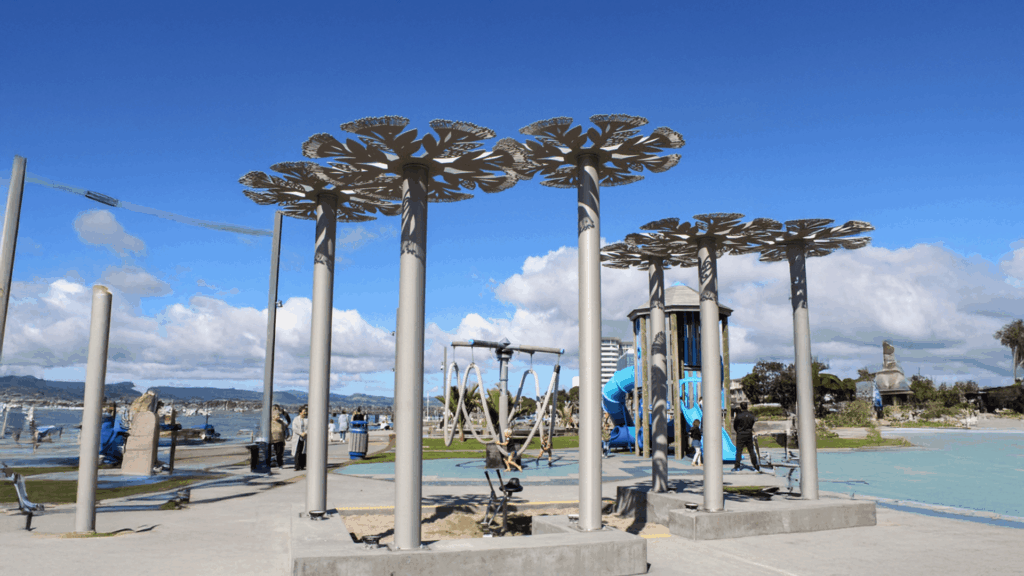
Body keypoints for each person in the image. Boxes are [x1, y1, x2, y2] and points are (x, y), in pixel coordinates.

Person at [733, 402, 760, 472]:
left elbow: (735, 425)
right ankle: (755, 465)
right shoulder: (751, 415)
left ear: (741, 407)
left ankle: (737, 466)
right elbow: (754, 422)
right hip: (749, 434)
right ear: (747, 406)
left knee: (739, 451)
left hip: (740, 434)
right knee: (751, 450)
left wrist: (738, 431)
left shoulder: (739, 416)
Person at [291, 405, 308, 471]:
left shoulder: (307, 420)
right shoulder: (296, 419)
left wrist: (305, 432)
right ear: (300, 412)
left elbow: (310, 427)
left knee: (303, 452)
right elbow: (294, 428)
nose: (305, 413)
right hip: (298, 437)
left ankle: (302, 465)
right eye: (304, 412)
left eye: (305, 412)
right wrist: (300, 433)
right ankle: (297, 466)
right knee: (297, 451)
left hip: (305, 437)